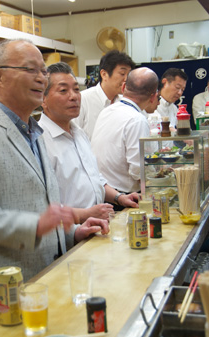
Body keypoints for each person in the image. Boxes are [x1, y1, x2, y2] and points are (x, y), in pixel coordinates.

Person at [0, 39, 108, 316]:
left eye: (43, 71)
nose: (40, 78)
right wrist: (35, 225)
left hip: (50, 278)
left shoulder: (34, 132)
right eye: (30, 70)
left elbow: (42, 205)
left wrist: (73, 232)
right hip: (11, 289)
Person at [39, 62, 139, 221]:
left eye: (77, 89)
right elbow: (41, 205)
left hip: (99, 225)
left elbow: (95, 178)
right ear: (43, 99)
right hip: (70, 235)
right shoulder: (40, 142)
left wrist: (119, 197)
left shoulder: (78, 133)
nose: (73, 96)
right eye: (63, 90)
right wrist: (85, 215)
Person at [91, 67, 159, 195]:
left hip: (103, 191)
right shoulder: (137, 120)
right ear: (153, 97)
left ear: (123, 88)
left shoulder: (107, 110)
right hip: (124, 196)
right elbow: (138, 170)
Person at [74, 50, 135, 140]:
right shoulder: (83, 99)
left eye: (129, 74)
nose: (126, 79)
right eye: (122, 74)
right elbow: (73, 134)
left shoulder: (125, 102)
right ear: (104, 74)